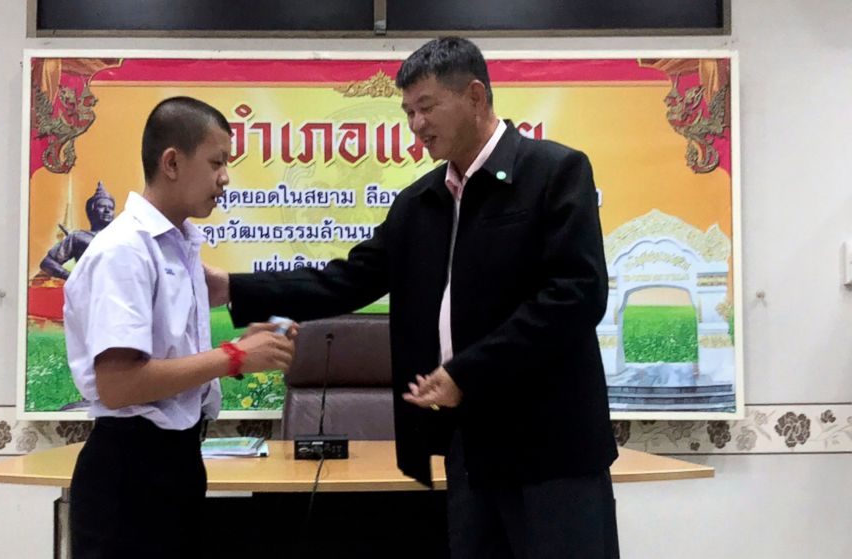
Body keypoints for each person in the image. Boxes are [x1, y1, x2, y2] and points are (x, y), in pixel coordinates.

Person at [208, 37, 619, 558]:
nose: (416, 125)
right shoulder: (419, 202)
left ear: (474, 96)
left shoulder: (554, 173)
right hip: (469, 449)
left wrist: (466, 372)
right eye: (408, 112)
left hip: (553, 450)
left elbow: (575, 297)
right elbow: (348, 280)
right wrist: (234, 288)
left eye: (427, 107)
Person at [63, 96, 297, 559]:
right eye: (217, 163)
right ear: (172, 162)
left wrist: (247, 341)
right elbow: (118, 384)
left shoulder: (177, 245)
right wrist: (233, 358)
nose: (225, 178)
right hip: (129, 475)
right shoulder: (125, 250)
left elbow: (182, 336)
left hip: (177, 462)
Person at [40, 181, 115, 279]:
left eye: (111, 208)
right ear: (91, 210)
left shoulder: (121, 238)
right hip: (90, 290)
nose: (107, 211)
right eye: (102, 206)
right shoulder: (79, 237)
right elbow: (47, 263)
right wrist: (73, 278)